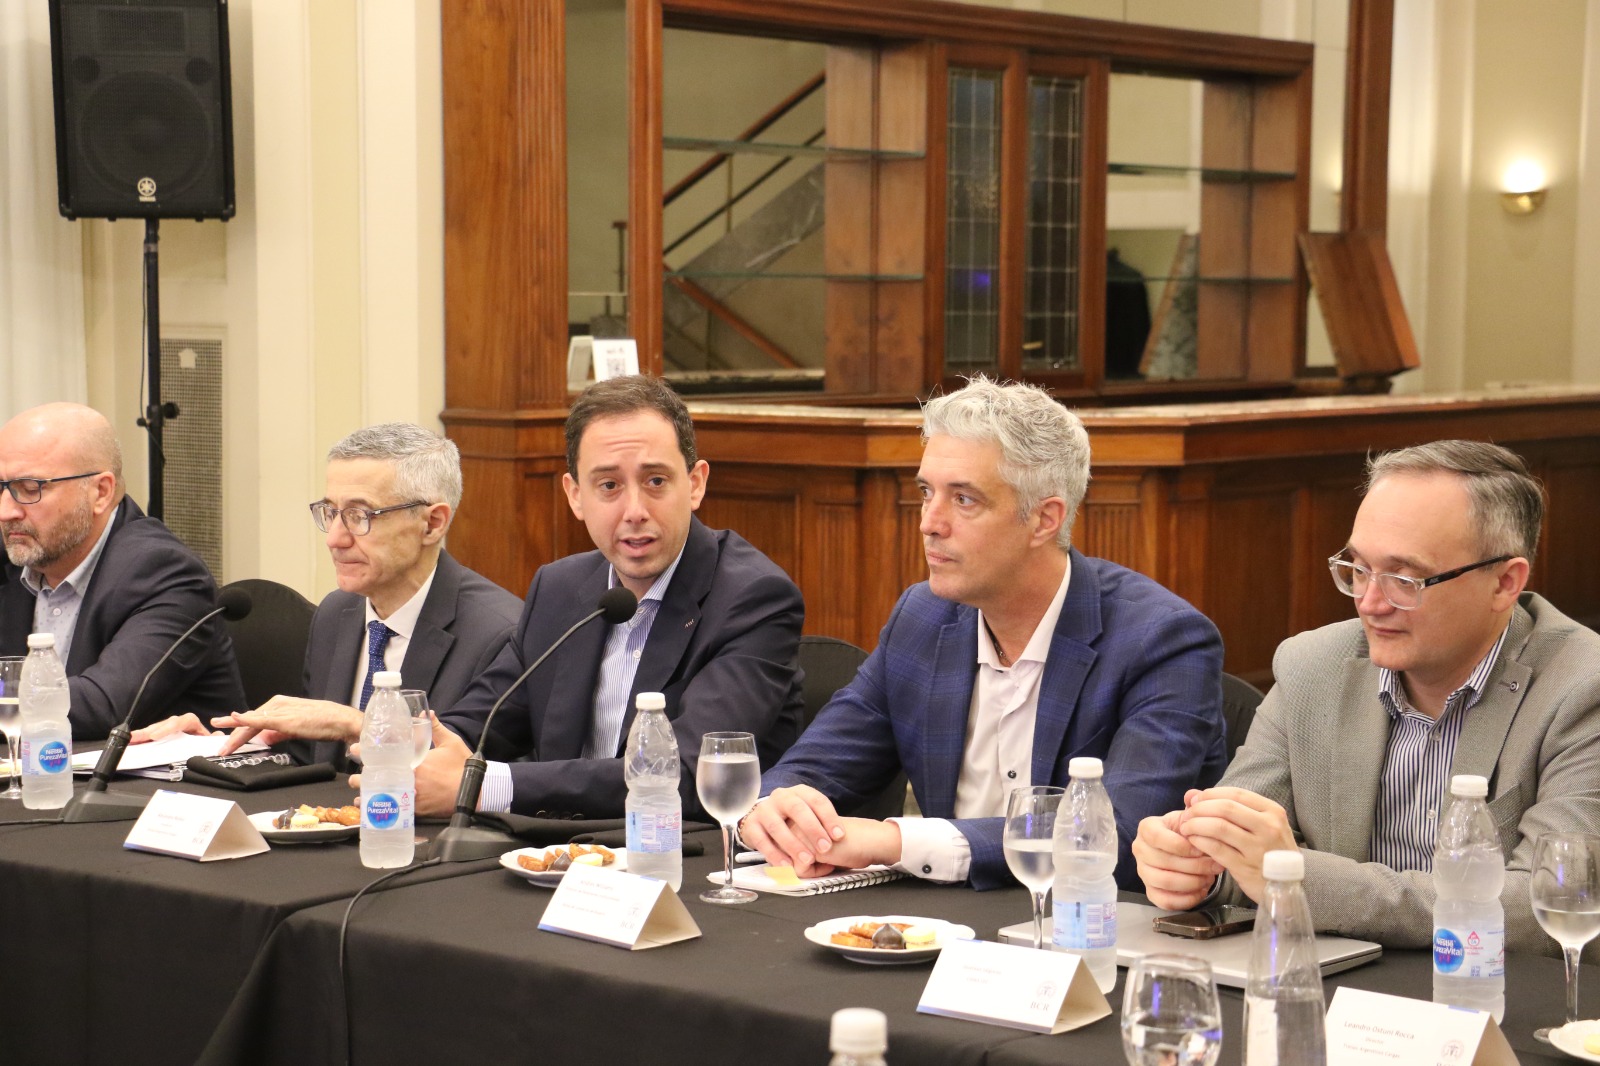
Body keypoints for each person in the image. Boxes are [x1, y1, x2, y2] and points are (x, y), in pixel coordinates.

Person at [740, 377, 1226, 891]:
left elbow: (1121, 840)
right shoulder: (922, 619)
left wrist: (895, 842)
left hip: (1087, 941)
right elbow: (810, 770)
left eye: (964, 500)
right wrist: (773, 810)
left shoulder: (1163, 641)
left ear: (1044, 519)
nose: (929, 522)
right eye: (927, 492)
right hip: (942, 936)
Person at [1132, 440, 1600, 954]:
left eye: (1404, 578)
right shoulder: (1313, 666)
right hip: (1334, 990)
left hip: (1498, 1006)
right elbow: (1239, 841)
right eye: (1357, 569)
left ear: (1504, 583)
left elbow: (1548, 905)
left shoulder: (1582, 688)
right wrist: (1194, 866)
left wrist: (1299, 879)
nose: (1370, 603)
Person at [404, 375, 805, 819]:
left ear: (695, 484)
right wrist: (417, 751)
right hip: (556, 858)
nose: (635, 511)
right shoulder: (560, 588)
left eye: (655, 481)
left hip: (680, 863)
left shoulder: (753, 599)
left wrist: (481, 785)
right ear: (576, 496)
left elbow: (689, 773)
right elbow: (484, 721)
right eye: (609, 486)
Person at [136, 424, 522, 767]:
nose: (335, 539)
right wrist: (217, 751)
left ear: (432, 523)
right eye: (330, 512)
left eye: (360, 516)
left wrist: (351, 722)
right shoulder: (339, 613)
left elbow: (463, 772)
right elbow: (319, 759)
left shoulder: (500, 634)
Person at [0, 402, 244, 738]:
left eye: (30, 490)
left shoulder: (167, 573)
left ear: (100, 491)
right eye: (2, 487)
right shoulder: (16, 555)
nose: (6, 511)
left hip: (152, 787)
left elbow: (104, 705)